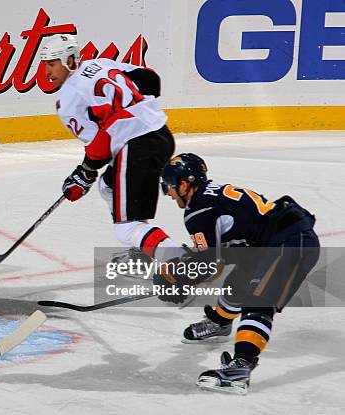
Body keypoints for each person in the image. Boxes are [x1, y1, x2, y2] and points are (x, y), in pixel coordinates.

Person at [154, 153, 320, 394]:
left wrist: (179, 279)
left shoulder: (197, 212)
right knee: (237, 284)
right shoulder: (211, 194)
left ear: (184, 184)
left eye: (168, 187)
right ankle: (220, 323)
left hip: (290, 243)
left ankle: (240, 368)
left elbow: (210, 264)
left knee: (258, 300)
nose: (167, 193)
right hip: (272, 241)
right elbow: (221, 253)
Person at [38, 34, 183, 262]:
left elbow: (102, 146)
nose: (46, 72)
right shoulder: (101, 63)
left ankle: (180, 262)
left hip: (136, 148)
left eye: (51, 63)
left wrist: (84, 172)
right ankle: (143, 249)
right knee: (108, 187)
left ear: (69, 60)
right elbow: (151, 79)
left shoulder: (67, 101)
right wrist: (134, 109)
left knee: (126, 228)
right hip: (162, 136)